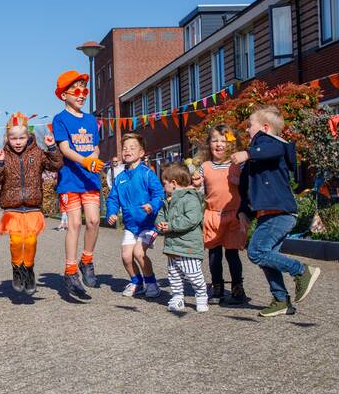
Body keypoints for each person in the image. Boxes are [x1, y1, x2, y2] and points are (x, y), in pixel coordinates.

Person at [231, 105, 321, 317]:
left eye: (249, 126)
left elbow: (275, 148)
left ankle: (302, 271)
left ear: (264, 128)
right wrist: (244, 211)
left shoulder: (269, 144)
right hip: (269, 215)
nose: (246, 131)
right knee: (267, 256)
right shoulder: (256, 157)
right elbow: (247, 188)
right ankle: (281, 300)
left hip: (280, 214)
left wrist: (247, 153)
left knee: (257, 252)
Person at [0, 112, 63, 296]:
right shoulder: (3, 155)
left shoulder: (37, 153)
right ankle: (17, 268)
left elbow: (57, 164)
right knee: (15, 241)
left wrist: (52, 146)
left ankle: (28, 268)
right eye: (13, 138)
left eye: (22, 137)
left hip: (32, 206)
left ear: (28, 136)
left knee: (30, 240)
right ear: (7, 138)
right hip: (11, 207)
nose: (18, 141)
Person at [52, 70, 104, 296]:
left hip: (90, 179)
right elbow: (65, 149)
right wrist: (86, 162)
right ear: (64, 95)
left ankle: (87, 261)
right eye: (77, 91)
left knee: (93, 221)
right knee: (73, 224)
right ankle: (70, 270)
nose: (82, 95)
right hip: (70, 179)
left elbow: (95, 146)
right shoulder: (60, 119)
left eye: (85, 91)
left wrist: (93, 158)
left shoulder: (92, 120)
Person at [192, 124, 248, 306]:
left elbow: (246, 187)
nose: (219, 144)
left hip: (233, 215)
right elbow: (199, 191)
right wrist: (196, 184)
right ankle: (217, 286)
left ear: (231, 144)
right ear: (208, 144)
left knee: (232, 254)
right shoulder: (205, 167)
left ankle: (237, 286)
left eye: (223, 140)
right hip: (212, 215)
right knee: (214, 254)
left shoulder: (238, 165)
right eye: (215, 140)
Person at [106, 133, 164, 298]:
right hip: (131, 226)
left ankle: (152, 283)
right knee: (126, 256)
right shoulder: (120, 178)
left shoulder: (147, 174)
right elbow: (113, 199)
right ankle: (137, 281)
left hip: (148, 224)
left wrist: (152, 206)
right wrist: (111, 212)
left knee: (139, 252)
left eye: (132, 148)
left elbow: (159, 193)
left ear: (141, 153)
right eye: (124, 148)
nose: (127, 151)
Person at [156, 163, 207, 313]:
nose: (163, 188)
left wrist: (170, 225)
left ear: (173, 183)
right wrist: (160, 224)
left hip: (188, 247)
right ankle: (177, 298)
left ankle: (202, 295)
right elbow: (160, 215)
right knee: (174, 275)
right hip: (173, 246)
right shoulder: (168, 200)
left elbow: (192, 219)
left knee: (193, 274)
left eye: (164, 184)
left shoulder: (190, 199)